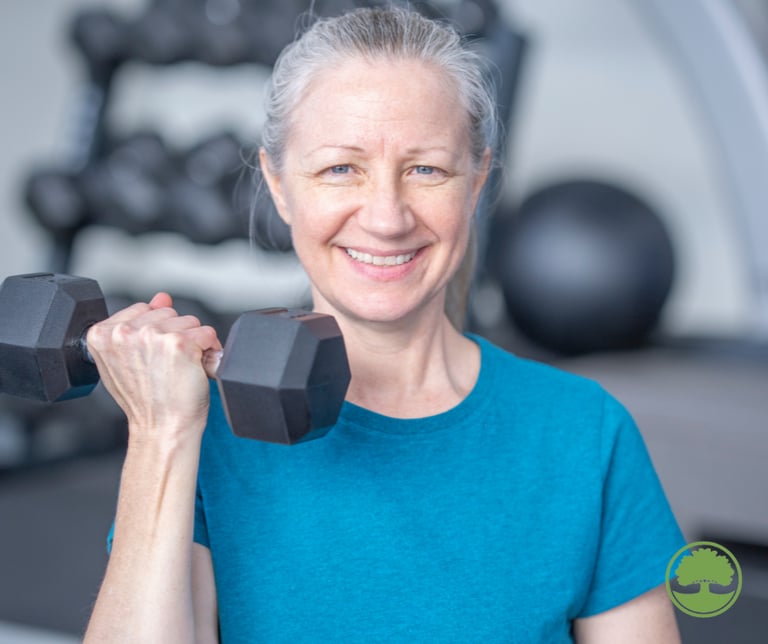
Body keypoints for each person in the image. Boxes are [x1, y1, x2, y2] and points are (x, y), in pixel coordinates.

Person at [83, 6, 684, 642]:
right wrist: (161, 433)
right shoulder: (202, 429)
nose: (387, 217)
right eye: (341, 168)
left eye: (426, 169)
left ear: (475, 185)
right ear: (279, 185)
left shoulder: (582, 431)